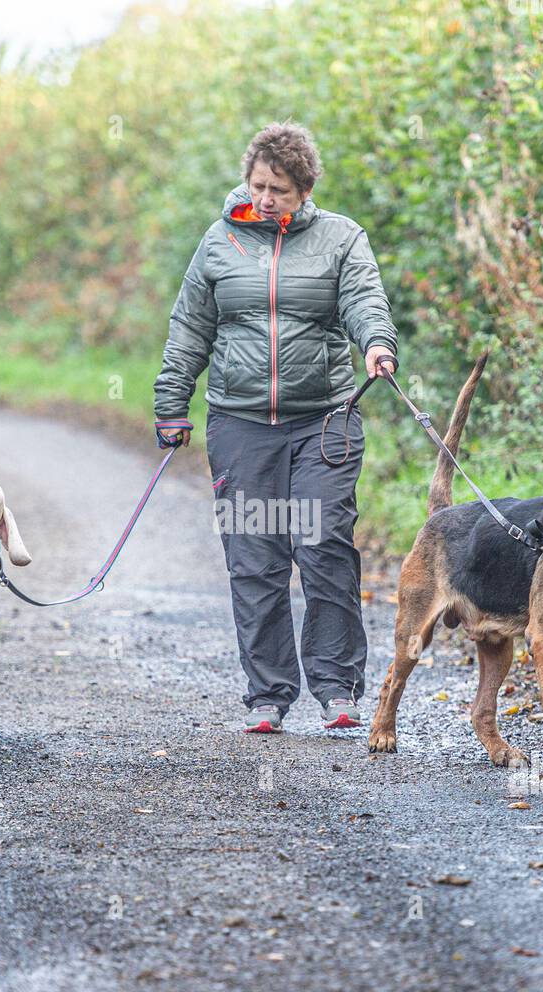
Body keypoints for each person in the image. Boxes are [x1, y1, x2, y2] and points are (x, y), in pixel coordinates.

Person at [154, 122, 398, 734]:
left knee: (323, 550)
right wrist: (171, 403)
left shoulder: (340, 239)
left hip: (323, 423)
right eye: (259, 184)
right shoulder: (219, 243)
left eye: (280, 190)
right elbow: (190, 329)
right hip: (240, 427)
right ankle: (268, 693)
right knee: (255, 559)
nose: (265, 198)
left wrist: (376, 344)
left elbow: (364, 300)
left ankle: (337, 687)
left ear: (305, 189)